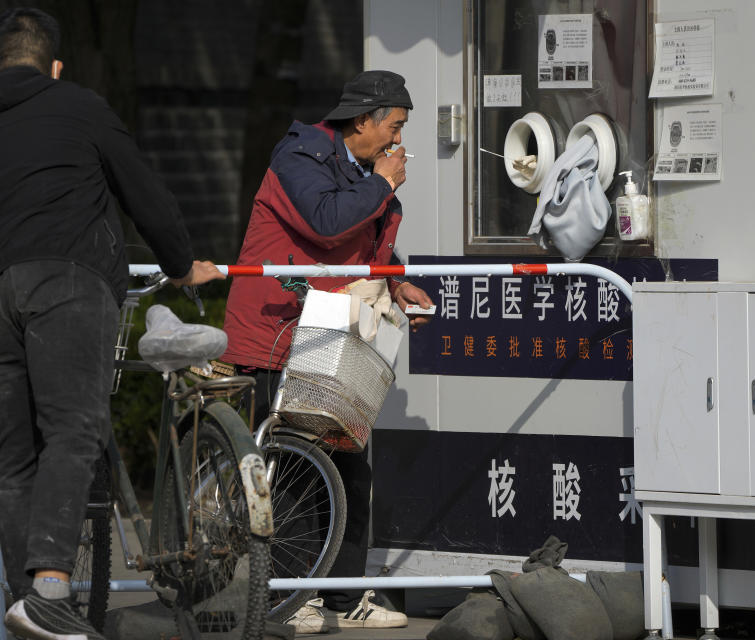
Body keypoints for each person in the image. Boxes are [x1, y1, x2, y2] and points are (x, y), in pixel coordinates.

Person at [0, 8, 223, 640]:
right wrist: (181, 265)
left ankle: (28, 604)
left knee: (12, 456)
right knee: (74, 427)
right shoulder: (79, 106)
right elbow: (142, 190)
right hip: (67, 281)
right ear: (55, 66)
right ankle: (48, 590)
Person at [221, 69, 433, 631]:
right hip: (277, 333)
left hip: (332, 338)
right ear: (361, 120)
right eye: (393, 125)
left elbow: (367, 244)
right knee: (294, 469)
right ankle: (295, 600)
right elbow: (329, 223)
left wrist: (396, 280)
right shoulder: (301, 156)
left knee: (348, 468)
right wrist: (384, 184)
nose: (397, 139)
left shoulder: (363, 170)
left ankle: (343, 599)